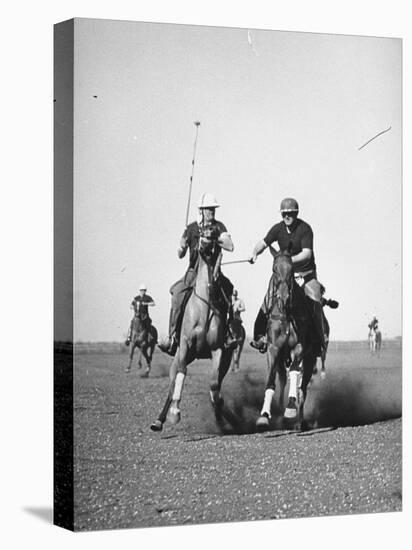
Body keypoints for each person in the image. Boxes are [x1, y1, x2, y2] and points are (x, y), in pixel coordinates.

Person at [249, 197, 337, 355]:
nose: (287, 217)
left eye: (290, 213)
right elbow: (264, 242)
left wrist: (287, 260)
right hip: (285, 275)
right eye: (284, 214)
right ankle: (260, 337)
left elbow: (307, 254)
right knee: (267, 300)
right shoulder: (277, 228)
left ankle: (320, 339)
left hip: (306, 274)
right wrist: (255, 252)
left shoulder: (305, 229)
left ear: (296, 213)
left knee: (315, 301)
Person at [158, 192, 235, 356]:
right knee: (177, 295)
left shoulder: (219, 226)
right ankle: (172, 336)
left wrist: (214, 237)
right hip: (193, 273)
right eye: (208, 209)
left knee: (229, 291)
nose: (211, 212)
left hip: (214, 272)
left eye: (213, 209)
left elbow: (230, 246)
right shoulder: (191, 228)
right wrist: (182, 245)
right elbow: (180, 253)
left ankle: (228, 334)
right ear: (201, 210)